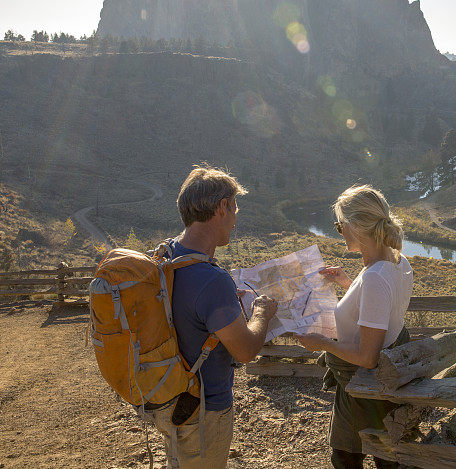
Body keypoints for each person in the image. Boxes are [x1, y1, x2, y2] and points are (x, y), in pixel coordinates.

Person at [146, 165, 278, 468]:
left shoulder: (166, 256)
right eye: (234, 209)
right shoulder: (211, 279)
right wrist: (262, 312)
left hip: (168, 398)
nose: (234, 221)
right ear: (222, 207)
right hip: (203, 410)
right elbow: (245, 350)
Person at [297, 185, 413, 469]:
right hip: (378, 385)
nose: (339, 233)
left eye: (339, 226)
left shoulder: (374, 277)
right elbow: (382, 310)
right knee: (384, 454)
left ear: (356, 226)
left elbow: (367, 356)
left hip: (362, 386)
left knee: (348, 457)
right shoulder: (399, 263)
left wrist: (321, 343)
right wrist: (349, 285)